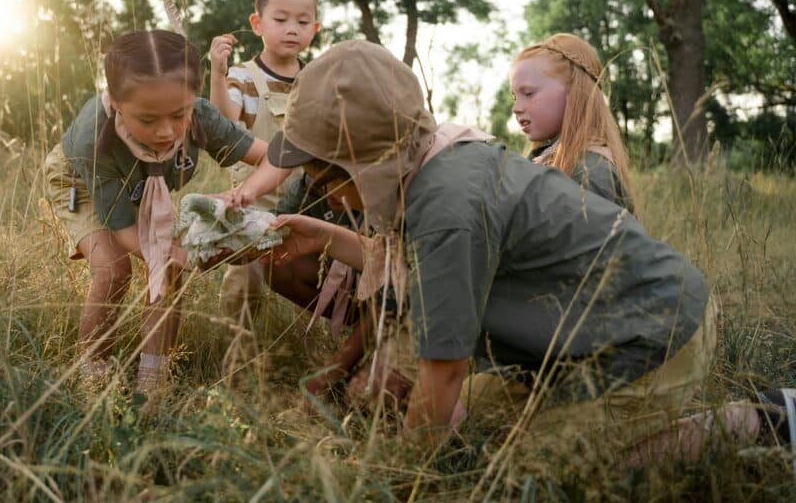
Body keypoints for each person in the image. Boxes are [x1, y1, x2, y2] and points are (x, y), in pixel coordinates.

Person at [257, 39, 792, 464]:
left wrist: (400, 475)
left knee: (541, 468)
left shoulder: (447, 208)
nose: (328, 196)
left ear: (362, 163)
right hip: (572, 344)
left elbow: (441, 373)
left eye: (325, 178)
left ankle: (764, 420)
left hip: (652, 333)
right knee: (482, 422)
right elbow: (417, 265)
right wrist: (325, 235)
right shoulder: (433, 158)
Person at [42, 30, 290, 391]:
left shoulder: (202, 117)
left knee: (168, 270)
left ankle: (153, 381)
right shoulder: (93, 138)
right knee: (113, 269)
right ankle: (92, 379)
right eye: (147, 119)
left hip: (143, 185)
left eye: (179, 114)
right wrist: (182, 253)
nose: (166, 131)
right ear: (115, 102)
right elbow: (124, 228)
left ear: (194, 98)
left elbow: (274, 158)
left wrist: (244, 193)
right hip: (79, 181)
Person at [208, 0, 321, 324]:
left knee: (315, 273)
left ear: (314, 29)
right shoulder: (244, 76)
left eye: (302, 22)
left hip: (305, 202)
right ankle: (235, 354)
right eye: (281, 19)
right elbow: (226, 120)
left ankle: (304, 345)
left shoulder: (315, 79)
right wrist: (216, 72)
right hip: (253, 201)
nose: (292, 29)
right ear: (257, 24)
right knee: (247, 281)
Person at [510, 33, 635, 212]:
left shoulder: (591, 174)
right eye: (514, 97)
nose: (516, 108)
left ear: (575, 92)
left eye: (528, 93)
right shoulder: (546, 159)